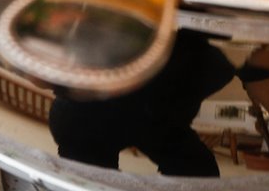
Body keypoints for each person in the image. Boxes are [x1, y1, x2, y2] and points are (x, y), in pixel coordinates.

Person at [47, 29, 235, 177]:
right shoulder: (205, 61)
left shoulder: (207, 61)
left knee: (198, 169)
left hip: (152, 118)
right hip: (91, 116)